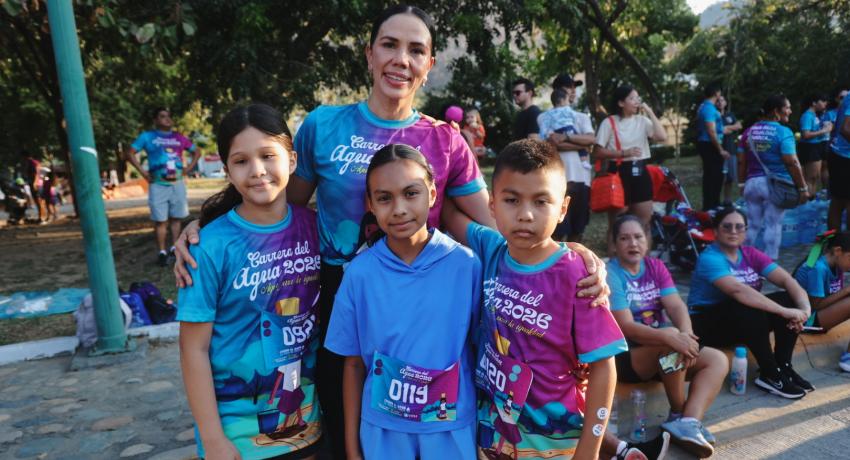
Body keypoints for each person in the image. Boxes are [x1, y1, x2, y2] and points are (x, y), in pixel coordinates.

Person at [173, 8, 609, 457]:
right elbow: (279, 203)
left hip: (429, 294)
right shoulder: (324, 126)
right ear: (369, 54)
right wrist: (205, 225)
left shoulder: (446, 141)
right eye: (389, 45)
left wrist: (567, 250)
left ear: (429, 63)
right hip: (338, 292)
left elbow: (500, 220)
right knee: (347, 430)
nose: (401, 58)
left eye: (415, 49)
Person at [443, 139, 626, 459]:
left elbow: (603, 367)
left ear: (563, 208)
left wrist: (590, 449)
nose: (526, 214)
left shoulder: (577, 274)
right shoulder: (491, 248)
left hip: (557, 445)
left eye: (541, 202)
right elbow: (446, 210)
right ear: (492, 206)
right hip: (494, 440)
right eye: (512, 200)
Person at [178, 104, 323, 460]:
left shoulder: (317, 227)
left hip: (310, 424)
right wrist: (213, 440)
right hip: (236, 437)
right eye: (241, 161)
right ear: (226, 170)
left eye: (268, 156)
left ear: (291, 160)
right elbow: (193, 349)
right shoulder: (209, 246)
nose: (257, 171)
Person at [325, 144, 479, 459]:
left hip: (451, 429)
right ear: (370, 204)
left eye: (411, 193)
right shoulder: (359, 274)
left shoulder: (467, 265)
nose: (398, 209)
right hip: (383, 433)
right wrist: (353, 450)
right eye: (384, 198)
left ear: (433, 194)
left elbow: (482, 348)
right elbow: (352, 364)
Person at [608, 215, 726, 458]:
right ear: (615, 244)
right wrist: (672, 338)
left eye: (638, 237)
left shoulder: (655, 267)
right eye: (625, 238)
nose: (633, 243)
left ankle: (689, 422)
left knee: (717, 360)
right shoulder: (611, 273)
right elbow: (626, 327)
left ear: (647, 240)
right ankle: (677, 412)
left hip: (665, 352)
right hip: (628, 353)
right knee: (670, 340)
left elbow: (676, 306)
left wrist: (686, 335)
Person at [688, 207, 813, 399]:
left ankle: (783, 366)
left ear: (746, 231)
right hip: (706, 325)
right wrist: (784, 312)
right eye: (727, 227)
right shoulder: (710, 258)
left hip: (740, 320)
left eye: (739, 227)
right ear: (715, 231)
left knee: (786, 297)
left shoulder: (750, 253)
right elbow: (738, 291)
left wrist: (803, 310)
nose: (733, 231)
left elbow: (787, 281)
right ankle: (770, 373)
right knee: (749, 304)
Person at [593, 84, 667, 253]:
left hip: (640, 172)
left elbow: (662, 136)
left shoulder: (643, 121)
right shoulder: (609, 122)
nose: (636, 102)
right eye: (632, 98)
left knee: (644, 223)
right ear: (621, 103)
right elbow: (597, 151)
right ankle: (613, 266)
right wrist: (623, 152)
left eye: (637, 98)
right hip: (618, 174)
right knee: (617, 224)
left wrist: (648, 111)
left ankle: (643, 265)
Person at [126, 107, 201, 266]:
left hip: (177, 183)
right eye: (162, 116)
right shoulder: (147, 137)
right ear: (156, 120)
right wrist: (143, 173)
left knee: (176, 219)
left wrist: (188, 169)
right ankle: (162, 252)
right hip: (157, 184)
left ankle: (175, 248)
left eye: (169, 116)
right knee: (160, 220)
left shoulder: (179, 137)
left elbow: (197, 152)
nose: (167, 119)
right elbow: (130, 152)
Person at [739, 94, 810, 259]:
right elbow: (791, 161)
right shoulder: (783, 132)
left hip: (751, 184)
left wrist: (741, 185)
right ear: (776, 111)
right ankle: (770, 260)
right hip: (774, 186)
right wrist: (803, 188)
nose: (790, 111)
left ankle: (741, 258)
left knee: (753, 224)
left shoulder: (748, 132)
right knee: (773, 224)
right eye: (787, 107)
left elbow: (741, 162)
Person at [538, 87, 595, 242]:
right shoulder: (544, 117)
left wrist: (565, 137)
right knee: (556, 227)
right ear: (567, 98)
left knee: (578, 226)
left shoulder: (581, 117)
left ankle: (573, 260)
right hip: (556, 178)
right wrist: (580, 145)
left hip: (580, 178)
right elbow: (550, 144)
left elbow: (591, 140)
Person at [793, 231, 850, 371]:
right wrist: (847, 291)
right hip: (808, 321)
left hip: (821, 315)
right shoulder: (819, 269)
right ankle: (848, 359)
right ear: (838, 251)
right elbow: (815, 305)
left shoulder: (838, 265)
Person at [696, 83, 727, 211]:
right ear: (716, 93)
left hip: (708, 144)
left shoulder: (704, 106)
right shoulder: (708, 108)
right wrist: (720, 149)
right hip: (710, 145)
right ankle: (711, 206)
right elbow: (711, 131)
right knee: (713, 176)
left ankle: (713, 204)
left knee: (713, 175)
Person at [798, 94, 832, 193]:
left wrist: (824, 129)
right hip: (810, 148)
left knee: (815, 177)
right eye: (823, 101)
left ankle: (811, 201)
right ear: (814, 103)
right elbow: (805, 134)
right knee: (811, 177)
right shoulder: (807, 115)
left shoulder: (814, 115)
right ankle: (807, 202)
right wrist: (824, 131)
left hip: (816, 146)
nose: (825, 103)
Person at [828, 91, 850, 231]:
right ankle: (838, 246)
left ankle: (840, 245)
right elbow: (845, 129)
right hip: (844, 156)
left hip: (840, 154)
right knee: (839, 202)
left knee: (840, 202)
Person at [718, 96, 742, 204]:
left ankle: (727, 200)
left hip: (731, 150)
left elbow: (739, 125)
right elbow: (719, 130)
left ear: (725, 102)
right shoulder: (714, 116)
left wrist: (727, 128)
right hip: (719, 151)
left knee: (730, 177)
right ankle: (717, 200)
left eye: (722, 100)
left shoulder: (729, 115)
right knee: (720, 178)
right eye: (717, 100)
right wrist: (730, 127)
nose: (719, 102)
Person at [18, 149, 45, 223]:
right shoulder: (32, 162)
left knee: (38, 200)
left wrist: (34, 183)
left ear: (24, 156)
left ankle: (41, 217)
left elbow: (36, 173)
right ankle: (41, 217)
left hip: (36, 184)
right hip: (35, 183)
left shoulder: (32, 162)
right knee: (38, 201)